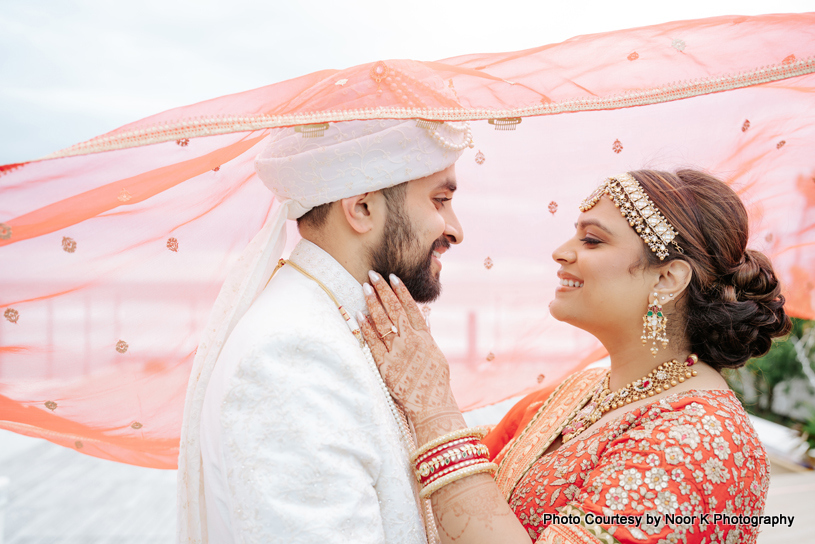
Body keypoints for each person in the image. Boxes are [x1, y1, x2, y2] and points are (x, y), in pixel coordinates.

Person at [359, 169, 791, 544]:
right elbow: (453, 479)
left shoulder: (698, 438)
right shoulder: (582, 391)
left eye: (592, 240)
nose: (562, 252)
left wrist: (434, 402)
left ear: (667, 278)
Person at [177, 118, 472, 543]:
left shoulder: (342, 323)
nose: (455, 230)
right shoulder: (291, 354)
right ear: (362, 209)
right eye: (439, 200)